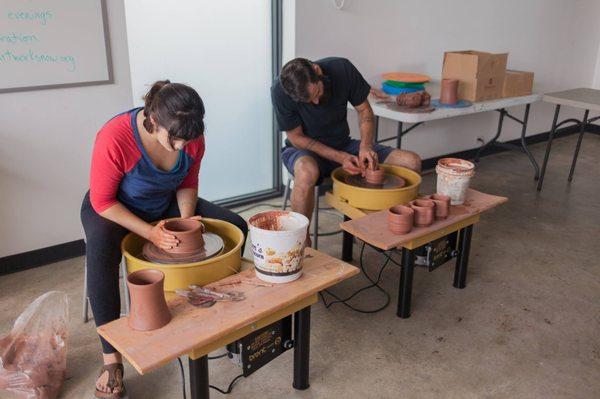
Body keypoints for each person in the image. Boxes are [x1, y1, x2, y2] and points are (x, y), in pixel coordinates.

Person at [80, 80, 248, 398]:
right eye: (176, 140)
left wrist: (185, 218)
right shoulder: (115, 136)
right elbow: (103, 201)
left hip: (164, 202)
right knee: (101, 254)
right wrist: (149, 232)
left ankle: (220, 318)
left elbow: (188, 180)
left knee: (233, 225)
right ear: (153, 120)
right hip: (116, 208)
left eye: (189, 139)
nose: (184, 146)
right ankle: (111, 360)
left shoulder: (191, 138)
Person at [271, 57, 421, 242]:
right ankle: (302, 243)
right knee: (306, 171)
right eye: (309, 101)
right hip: (304, 151)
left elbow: (364, 110)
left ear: (317, 71)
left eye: (317, 92)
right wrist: (340, 157)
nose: (316, 102)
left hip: (343, 144)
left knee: (411, 162)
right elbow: (296, 137)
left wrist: (365, 146)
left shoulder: (342, 69)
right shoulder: (280, 90)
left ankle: (401, 230)